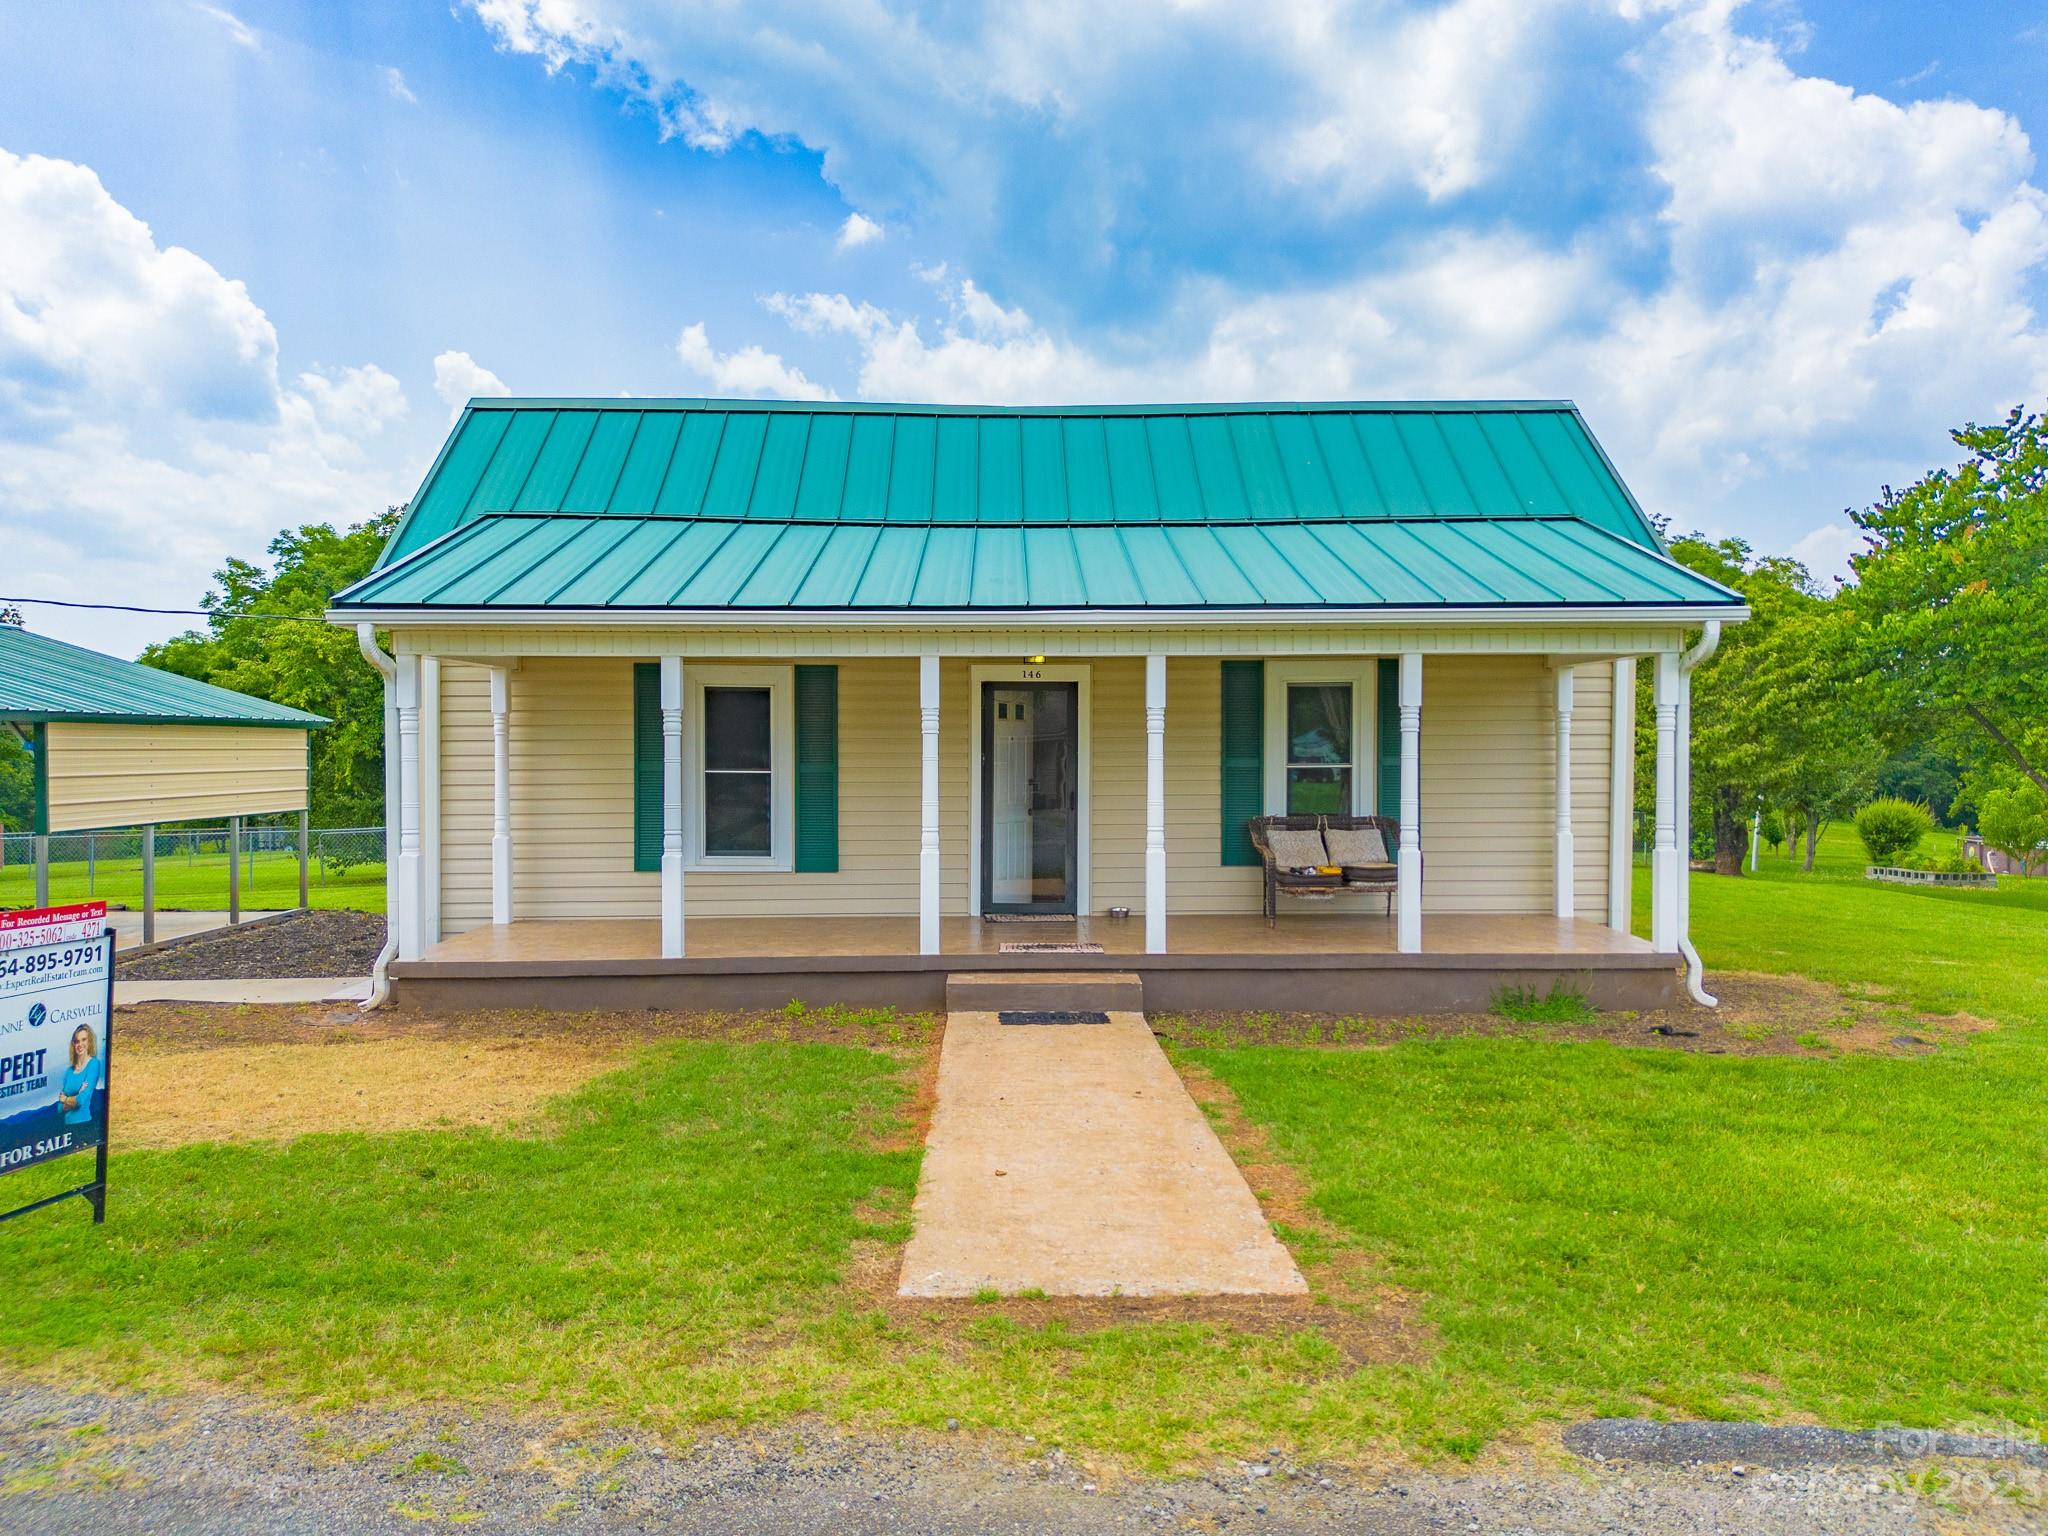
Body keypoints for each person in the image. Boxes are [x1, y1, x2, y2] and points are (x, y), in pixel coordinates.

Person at [57, 1023, 101, 1128]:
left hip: (83, 1125)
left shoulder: (93, 1064)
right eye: (77, 1041)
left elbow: (81, 1100)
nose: (80, 1044)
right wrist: (75, 1098)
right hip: (66, 1125)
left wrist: (66, 1100)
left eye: (83, 1039)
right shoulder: (69, 1071)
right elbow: (59, 1108)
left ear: (89, 1041)